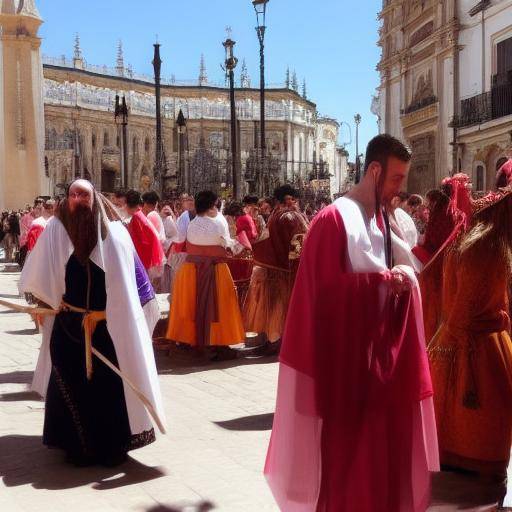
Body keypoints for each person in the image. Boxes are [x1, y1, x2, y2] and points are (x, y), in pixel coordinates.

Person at [264, 134, 438, 512]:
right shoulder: (333, 219)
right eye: (395, 179)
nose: (399, 190)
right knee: (348, 471)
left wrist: (401, 282)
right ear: (374, 171)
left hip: (381, 372)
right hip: (346, 375)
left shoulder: (381, 219)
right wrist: (381, 281)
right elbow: (320, 297)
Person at [18, 179, 165, 467]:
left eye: (83, 195)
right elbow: (40, 271)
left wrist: (103, 315)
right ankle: (73, 445)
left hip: (105, 328)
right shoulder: (57, 229)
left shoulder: (113, 233)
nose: (77, 200)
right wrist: (44, 303)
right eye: (72, 195)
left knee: (105, 387)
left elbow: (127, 288)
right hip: (68, 322)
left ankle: (110, 446)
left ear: (93, 197)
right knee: (68, 381)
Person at [428, 186, 512, 483]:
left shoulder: (479, 242)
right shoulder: (487, 246)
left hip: (465, 338)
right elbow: (468, 306)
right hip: (476, 345)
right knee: (474, 419)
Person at [166, 190, 245, 358]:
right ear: (211, 205)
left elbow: (180, 241)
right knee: (221, 306)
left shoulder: (191, 223)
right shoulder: (218, 222)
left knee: (190, 305)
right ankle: (220, 343)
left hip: (191, 269)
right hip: (215, 269)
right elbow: (228, 244)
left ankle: (189, 339)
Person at [243, 185, 309, 354]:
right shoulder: (292, 217)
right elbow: (298, 246)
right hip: (286, 270)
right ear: (291, 198)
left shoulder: (275, 215)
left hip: (270, 267)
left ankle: (273, 342)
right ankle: (279, 343)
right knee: (281, 309)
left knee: (271, 309)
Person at [125, 189, 164, 281]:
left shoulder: (137, 217)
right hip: (143, 259)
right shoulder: (139, 216)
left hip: (141, 259)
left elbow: (145, 240)